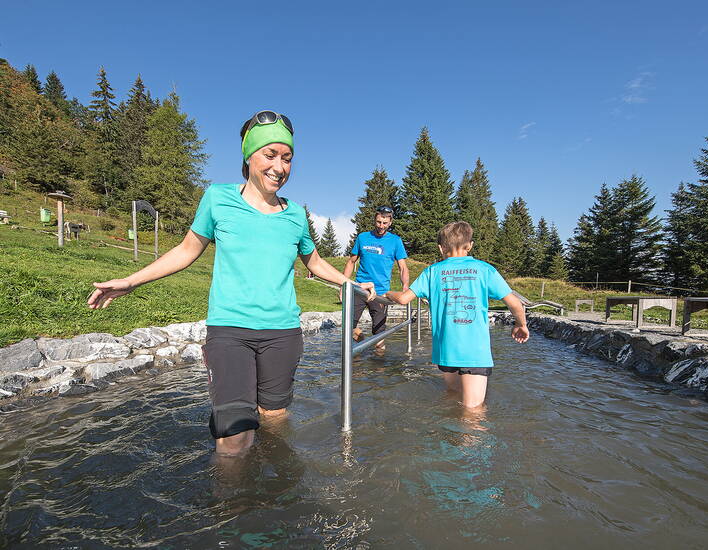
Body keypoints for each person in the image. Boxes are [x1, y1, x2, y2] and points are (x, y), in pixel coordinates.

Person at [87, 110, 376, 456]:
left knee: (274, 418)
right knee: (234, 434)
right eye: (270, 155)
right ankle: (232, 505)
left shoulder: (296, 214)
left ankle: (271, 496)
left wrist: (351, 283)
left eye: (287, 158)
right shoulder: (218, 198)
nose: (279, 167)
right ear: (248, 155)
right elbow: (186, 250)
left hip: (282, 333)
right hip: (230, 330)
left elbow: (313, 261)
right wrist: (132, 281)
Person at [385, 221, 529, 408]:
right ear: (470, 245)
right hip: (475, 352)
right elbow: (515, 304)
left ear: (441, 248)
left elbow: (404, 299)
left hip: (446, 350)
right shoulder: (484, 269)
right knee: (473, 411)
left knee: (452, 397)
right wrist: (521, 324)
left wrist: (387, 293)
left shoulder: (431, 272)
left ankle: (447, 435)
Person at [342, 206, 409, 351]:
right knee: (347, 327)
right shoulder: (363, 237)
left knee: (379, 336)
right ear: (375, 220)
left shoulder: (395, 241)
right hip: (360, 288)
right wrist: (343, 285)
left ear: (390, 222)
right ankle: (360, 341)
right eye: (379, 222)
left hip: (380, 293)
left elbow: (403, 267)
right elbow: (351, 261)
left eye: (385, 223)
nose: (381, 226)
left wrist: (405, 287)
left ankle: (379, 368)